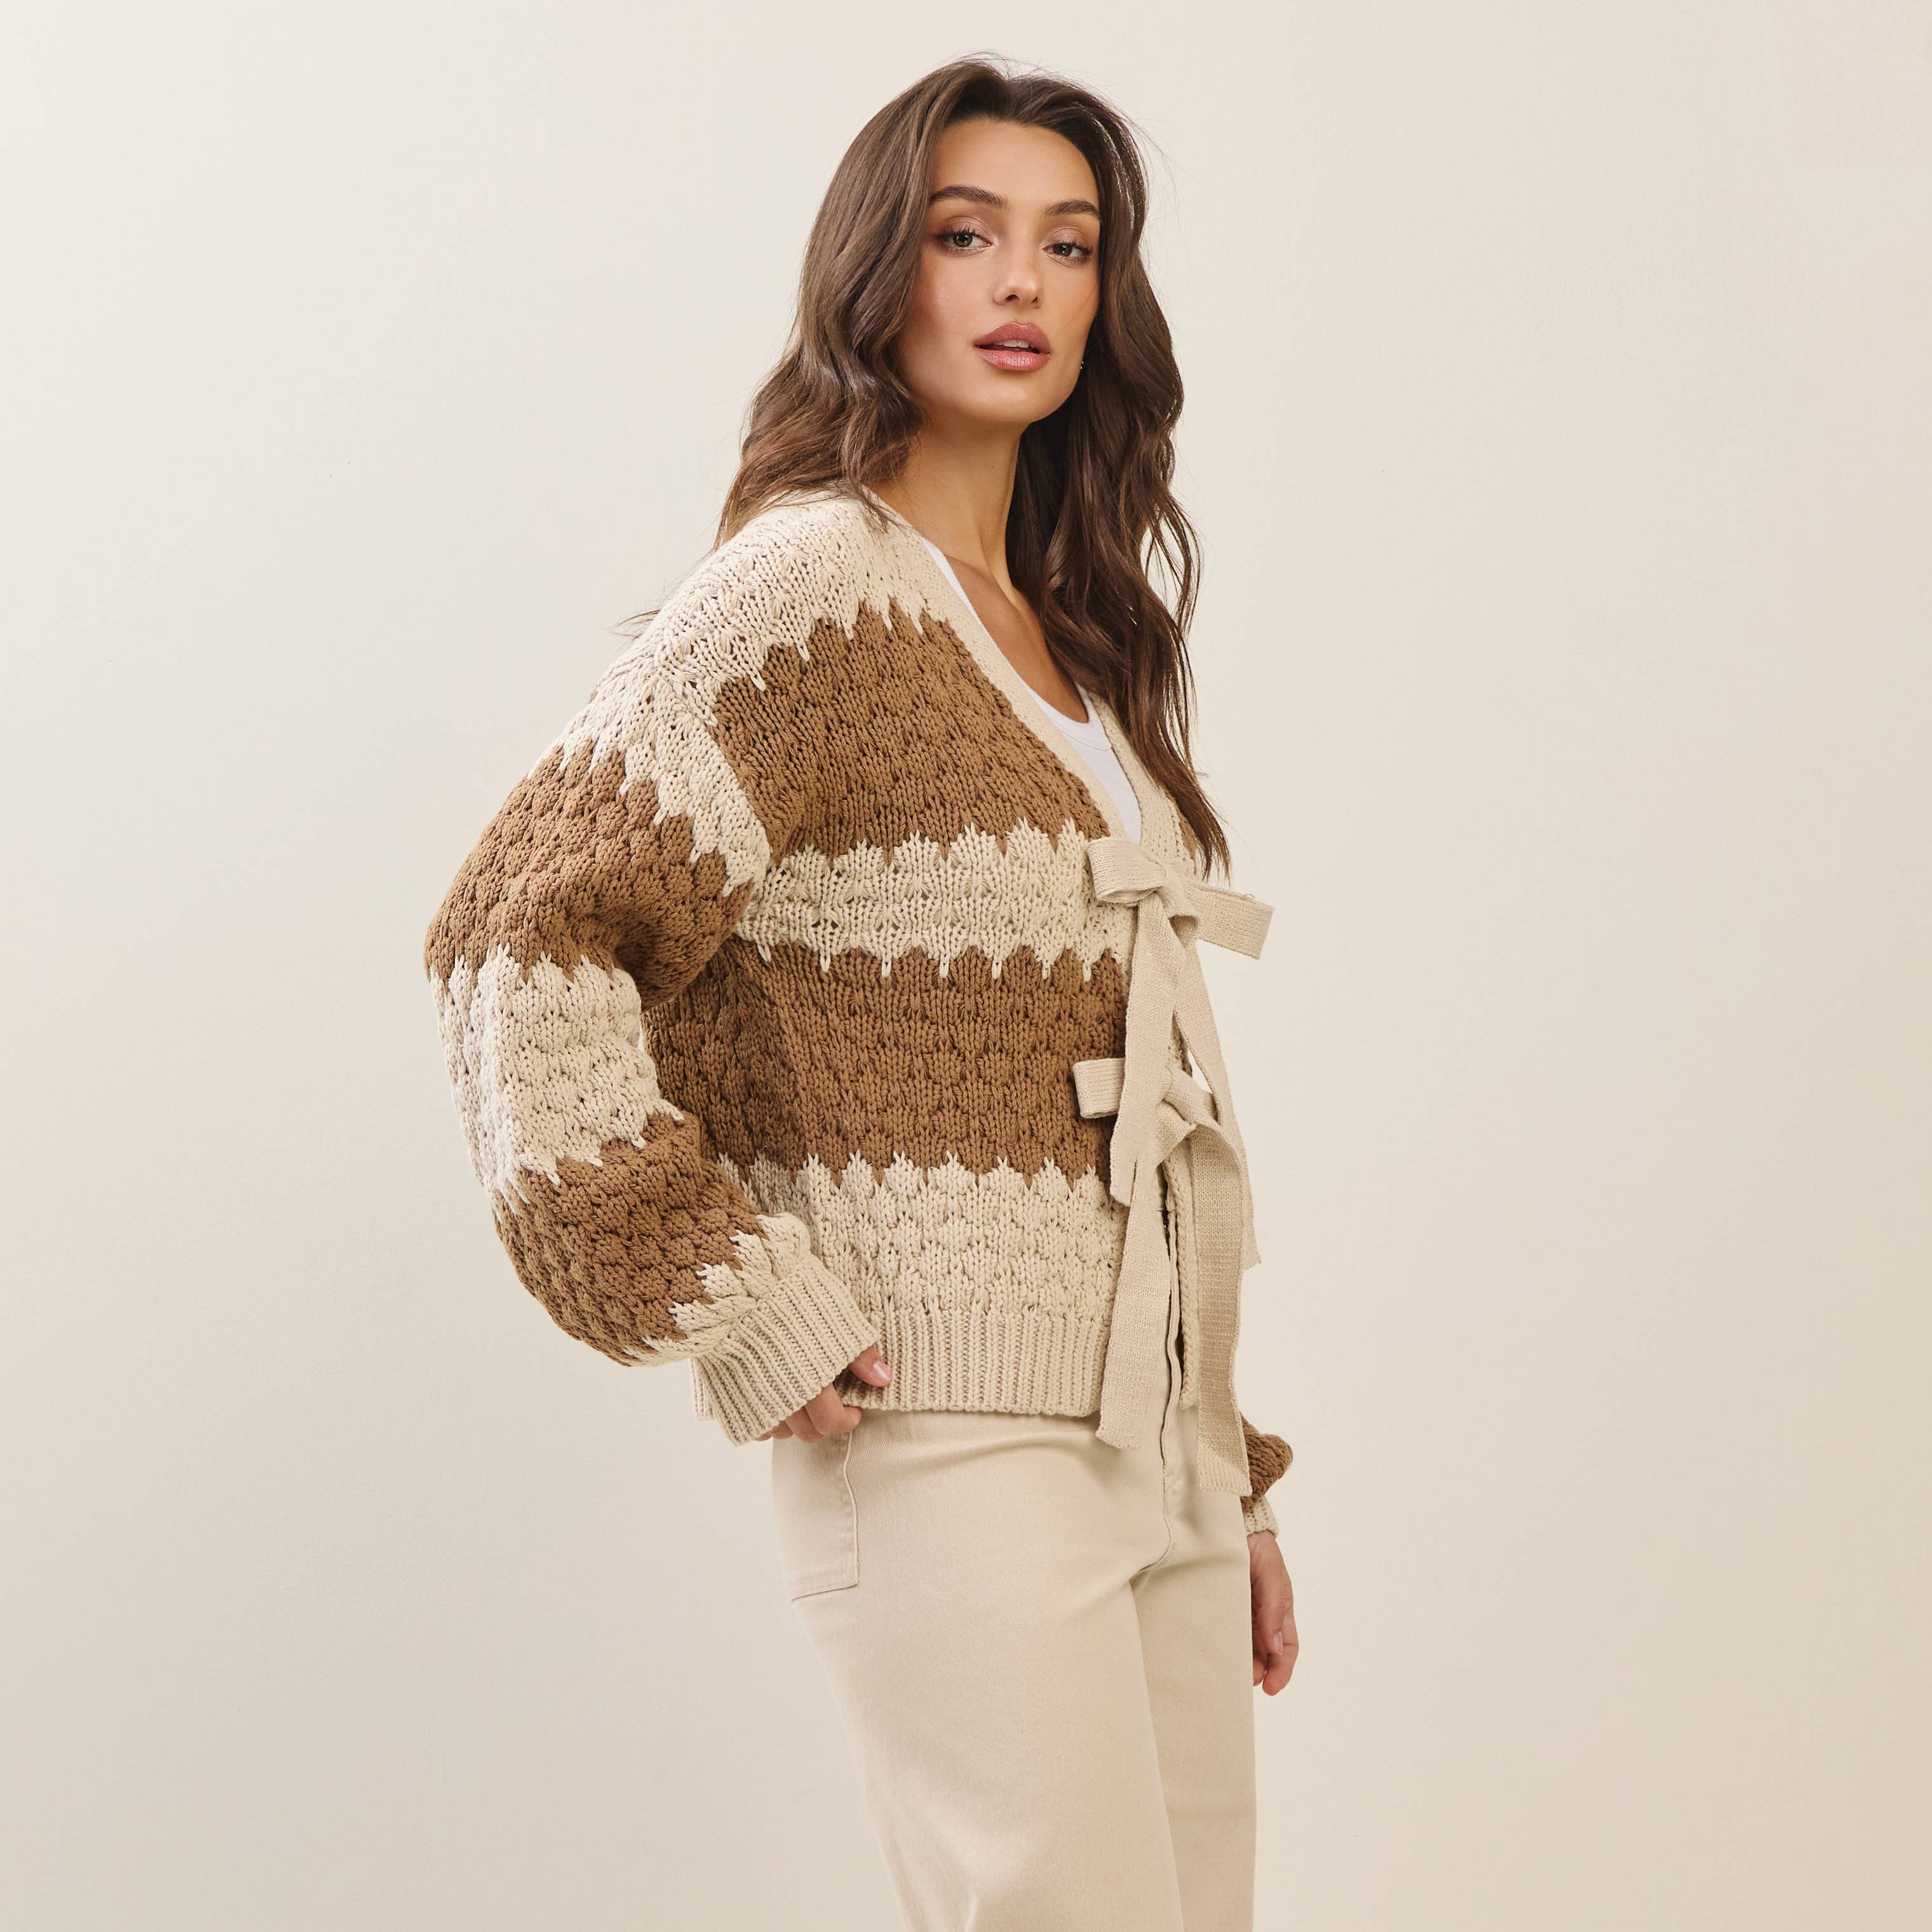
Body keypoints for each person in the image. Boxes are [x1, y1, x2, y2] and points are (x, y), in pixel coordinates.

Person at [422, 53, 1298, 1932]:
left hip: (1148, 1443)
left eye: (1069, 244)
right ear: (875, 271)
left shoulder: (1075, 639)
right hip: (946, 1437)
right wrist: (728, 1289)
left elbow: (1142, 1085)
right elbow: (515, 932)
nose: (1022, 282)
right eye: (966, 234)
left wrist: (1225, 1470)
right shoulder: (812, 589)